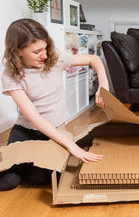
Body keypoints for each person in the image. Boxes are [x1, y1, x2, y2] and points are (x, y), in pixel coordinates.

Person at [0, 18, 109, 191]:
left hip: (54, 131)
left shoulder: (54, 59)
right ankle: (20, 162)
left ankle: (26, 162)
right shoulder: (11, 74)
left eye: (45, 48)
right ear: (17, 51)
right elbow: (34, 117)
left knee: (39, 178)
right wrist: (72, 146)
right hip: (25, 131)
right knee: (7, 182)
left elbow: (93, 59)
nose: (44, 55)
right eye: (37, 52)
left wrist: (103, 85)